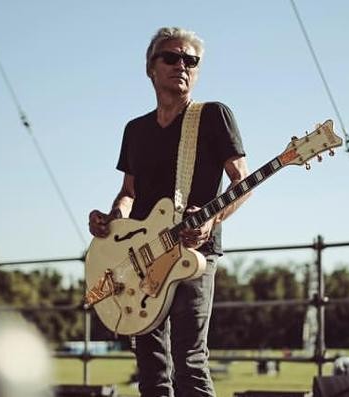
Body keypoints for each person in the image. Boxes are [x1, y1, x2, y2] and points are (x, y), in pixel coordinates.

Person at [88, 26, 249, 397]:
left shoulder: (212, 116)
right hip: (142, 256)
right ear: (151, 68)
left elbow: (241, 180)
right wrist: (112, 219)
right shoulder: (136, 130)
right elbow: (129, 193)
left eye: (191, 61)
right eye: (172, 57)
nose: (183, 65)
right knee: (151, 368)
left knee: (190, 363)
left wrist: (212, 219)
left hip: (192, 255)